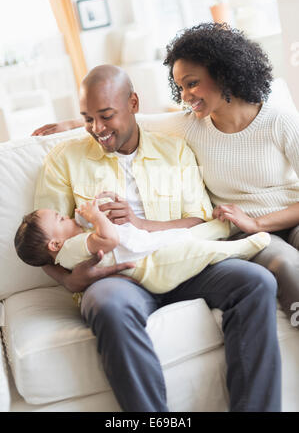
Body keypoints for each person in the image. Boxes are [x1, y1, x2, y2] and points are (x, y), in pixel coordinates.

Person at [33, 63, 281, 412]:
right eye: (87, 118)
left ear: (134, 103)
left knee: (256, 281)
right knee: (106, 305)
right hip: (119, 275)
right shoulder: (63, 160)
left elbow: (203, 222)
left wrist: (141, 223)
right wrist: (71, 280)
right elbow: (44, 244)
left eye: (106, 116)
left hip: (183, 262)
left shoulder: (175, 151)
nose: (97, 129)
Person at [35, 24, 299, 322]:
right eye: (180, 87)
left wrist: (258, 220)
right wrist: (74, 123)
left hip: (284, 218)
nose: (185, 96)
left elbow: (124, 112)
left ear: (224, 73)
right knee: (286, 264)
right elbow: (133, 118)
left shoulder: (281, 122)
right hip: (255, 234)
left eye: (192, 83)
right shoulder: (191, 125)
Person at [14, 200, 270, 296]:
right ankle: (240, 248)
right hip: (152, 267)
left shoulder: (70, 249)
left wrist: (93, 211)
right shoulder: (74, 247)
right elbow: (110, 239)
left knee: (187, 236)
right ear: (55, 244)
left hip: (151, 251)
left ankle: (222, 228)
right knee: (194, 249)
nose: (67, 217)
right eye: (61, 218)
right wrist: (96, 218)